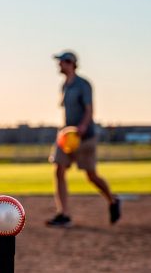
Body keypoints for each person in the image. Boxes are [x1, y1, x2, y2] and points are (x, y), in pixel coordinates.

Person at [46, 51, 121, 227]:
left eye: (61, 62)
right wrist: (65, 132)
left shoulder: (83, 84)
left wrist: (83, 127)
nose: (59, 65)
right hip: (67, 137)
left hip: (84, 137)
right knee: (59, 170)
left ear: (70, 63)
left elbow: (89, 109)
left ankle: (112, 200)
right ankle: (63, 213)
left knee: (91, 176)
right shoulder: (64, 85)